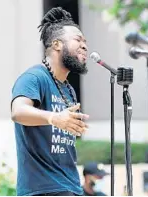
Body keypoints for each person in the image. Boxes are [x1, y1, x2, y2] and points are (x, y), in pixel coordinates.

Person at [11, 7, 90, 196]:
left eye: (85, 41)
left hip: (70, 186)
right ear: (57, 44)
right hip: (43, 189)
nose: (85, 45)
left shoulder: (68, 89)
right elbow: (18, 112)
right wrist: (55, 118)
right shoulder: (34, 77)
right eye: (78, 40)